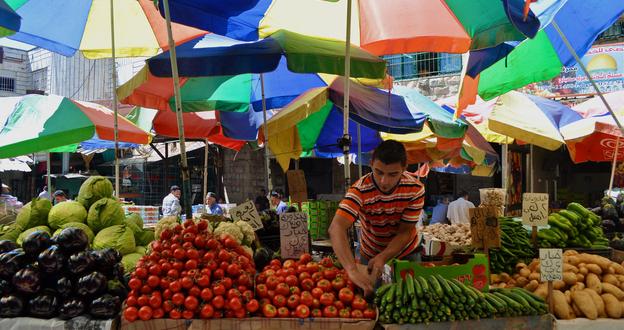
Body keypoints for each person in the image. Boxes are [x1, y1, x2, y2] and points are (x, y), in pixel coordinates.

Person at [328, 140, 425, 295]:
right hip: (370, 253)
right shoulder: (359, 190)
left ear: (404, 168)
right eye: (379, 172)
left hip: (407, 253)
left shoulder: (415, 189)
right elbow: (336, 227)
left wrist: (384, 257)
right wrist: (352, 269)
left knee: (414, 297)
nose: (384, 181)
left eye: (393, 174)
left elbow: (405, 232)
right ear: (371, 163)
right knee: (370, 298)